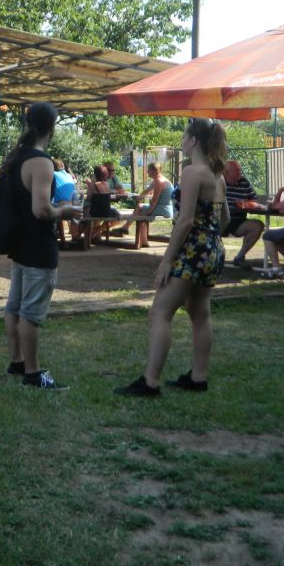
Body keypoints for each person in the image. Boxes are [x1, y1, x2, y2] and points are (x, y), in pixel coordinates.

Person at [116, 117, 229, 397]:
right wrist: (208, 239)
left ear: (193, 141)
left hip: (192, 250)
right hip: (213, 248)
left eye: (184, 136)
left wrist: (167, 259)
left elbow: (185, 220)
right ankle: (198, 378)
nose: (181, 141)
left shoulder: (192, 172)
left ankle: (150, 382)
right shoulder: (218, 175)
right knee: (200, 313)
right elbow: (225, 219)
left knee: (160, 313)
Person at [0, 102, 76, 389]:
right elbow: (42, 210)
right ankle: (33, 373)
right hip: (38, 246)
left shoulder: (16, 157)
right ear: (52, 127)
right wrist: (64, 211)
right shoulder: (42, 162)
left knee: (14, 306)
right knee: (30, 314)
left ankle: (17, 362)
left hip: (19, 244)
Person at [113, 162, 174, 247]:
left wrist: (148, 213)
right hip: (162, 207)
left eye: (148, 170)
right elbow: (147, 191)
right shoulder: (158, 180)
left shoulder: (159, 182)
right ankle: (142, 240)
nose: (147, 172)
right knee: (140, 213)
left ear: (153, 171)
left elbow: (154, 201)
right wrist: (139, 197)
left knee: (140, 210)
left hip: (163, 209)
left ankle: (126, 229)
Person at [222, 160, 265, 268]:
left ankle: (239, 257)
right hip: (219, 220)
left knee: (258, 226)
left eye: (239, 170)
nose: (239, 173)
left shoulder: (244, 182)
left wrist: (245, 204)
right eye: (236, 171)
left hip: (238, 221)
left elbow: (254, 201)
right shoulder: (218, 182)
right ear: (226, 172)